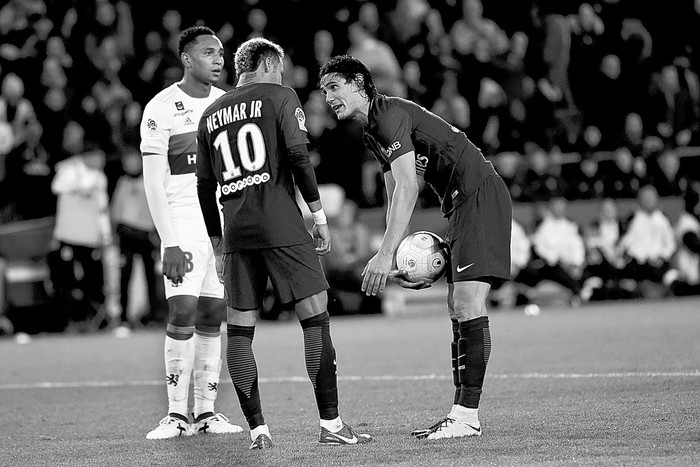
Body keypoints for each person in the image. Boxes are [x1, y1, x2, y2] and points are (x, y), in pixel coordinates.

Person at [319, 55, 512, 439]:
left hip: (478, 194)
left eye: (334, 87)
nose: (328, 98)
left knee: (468, 304)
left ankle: (466, 417)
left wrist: (385, 253)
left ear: (359, 83)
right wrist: (404, 257)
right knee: (457, 305)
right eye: (324, 91)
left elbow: (410, 186)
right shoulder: (374, 128)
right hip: (461, 202)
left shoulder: (388, 115)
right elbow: (395, 195)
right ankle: (461, 415)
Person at [196, 38, 372, 450]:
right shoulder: (279, 95)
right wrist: (319, 215)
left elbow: (204, 187)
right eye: (283, 68)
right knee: (315, 318)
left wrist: (218, 243)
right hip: (280, 223)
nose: (286, 75)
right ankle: (331, 425)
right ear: (269, 65)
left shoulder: (209, 114)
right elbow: (298, 157)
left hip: (236, 232)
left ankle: (258, 431)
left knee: (239, 333)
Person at [140, 26, 242, 440]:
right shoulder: (161, 108)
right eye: (207, 53)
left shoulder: (227, 105)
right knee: (182, 311)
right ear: (186, 58)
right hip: (181, 222)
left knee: (212, 315)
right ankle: (175, 415)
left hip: (218, 226)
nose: (218, 60)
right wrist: (168, 240)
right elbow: (153, 181)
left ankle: (205, 412)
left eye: (220, 53)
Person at [110, 147, 161, 334]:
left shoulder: (149, 180)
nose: (131, 164)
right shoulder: (122, 183)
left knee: (151, 276)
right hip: (127, 234)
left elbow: (157, 207)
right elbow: (115, 209)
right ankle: (123, 317)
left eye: (134, 160)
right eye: (128, 161)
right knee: (125, 275)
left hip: (146, 233)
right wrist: (114, 234)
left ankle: (153, 316)